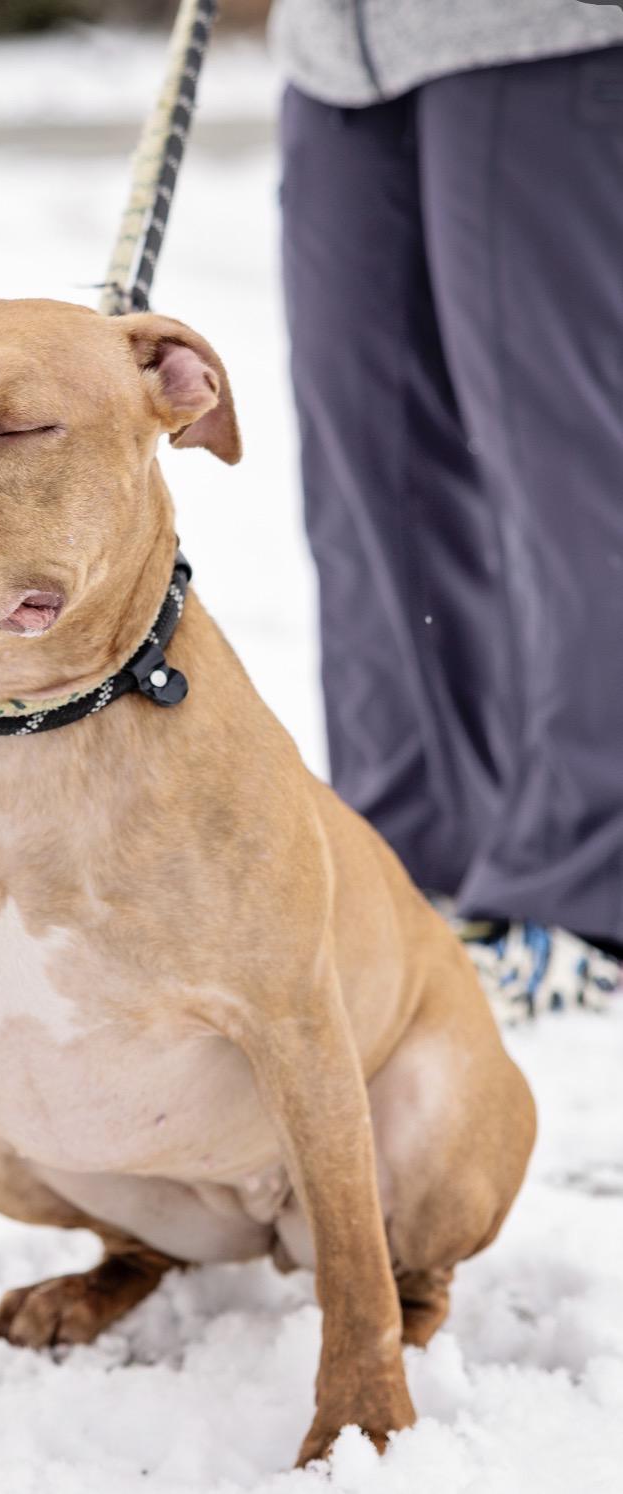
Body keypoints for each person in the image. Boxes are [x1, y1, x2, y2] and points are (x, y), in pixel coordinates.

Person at [269, 0, 623, 1016]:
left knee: (564, 463)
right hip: (338, 49)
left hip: (538, 28)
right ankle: (414, 868)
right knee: (368, 468)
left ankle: (592, 896)